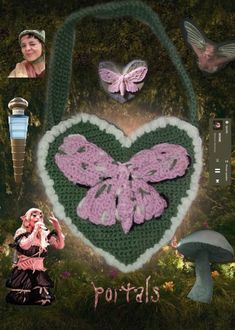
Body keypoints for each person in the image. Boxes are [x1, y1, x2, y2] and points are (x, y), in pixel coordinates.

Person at [6, 208, 64, 305]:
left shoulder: (44, 233)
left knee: (44, 299)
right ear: (28, 218)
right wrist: (35, 231)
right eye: (34, 215)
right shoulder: (21, 231)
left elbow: (59, 245)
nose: (38, 218)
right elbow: (24, 245)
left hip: (38, 270)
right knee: (21, 299)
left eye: (40, 216)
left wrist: (57, 227)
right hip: (24, 269)